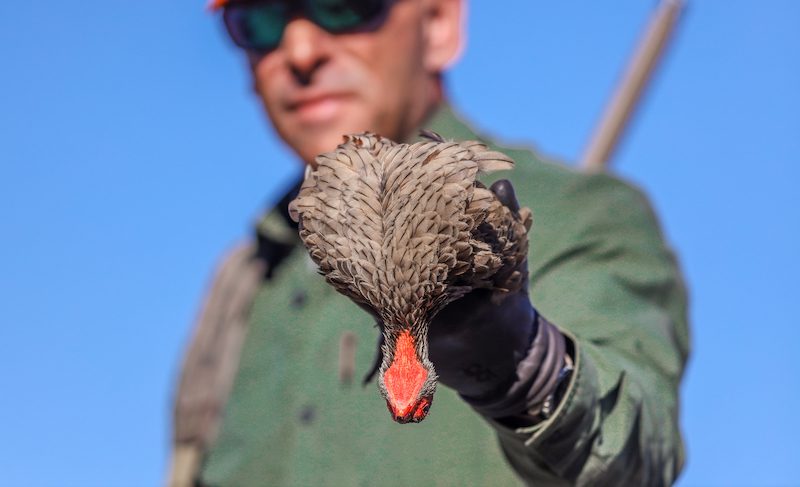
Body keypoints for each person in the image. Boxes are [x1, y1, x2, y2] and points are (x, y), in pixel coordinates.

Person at [172, 0, 689, 485]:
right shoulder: (247, 282)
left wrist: (520, 364)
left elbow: (636, 452)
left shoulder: (578, 216)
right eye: (258, 20)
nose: (301, 53)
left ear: (439, 23)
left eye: (342, 6)